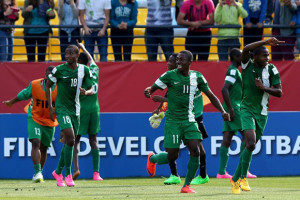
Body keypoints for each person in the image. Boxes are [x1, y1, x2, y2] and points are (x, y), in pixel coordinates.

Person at [144, 50, 230, 193]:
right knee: (173, 155)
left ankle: (186, 186)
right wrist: (148, 92)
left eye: (181, 60)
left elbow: (211, 95)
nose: (178, 62)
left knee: (196, 151)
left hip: (190, 119)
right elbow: (151, 90)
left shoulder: (197, 77)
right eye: (177, 59)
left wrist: (223, 111)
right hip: (173, 121)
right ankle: (153, 159)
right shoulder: (169, 75)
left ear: (190, 62)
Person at [230, 38, 283, 194]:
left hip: (262, 113)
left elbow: (279, 92)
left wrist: (264, 87)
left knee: (249, 147)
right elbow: (245, 49)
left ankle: (234, 179)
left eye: (268, 56)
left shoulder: (272, 69)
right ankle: (243, 178)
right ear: (254, 57)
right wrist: (266, 41)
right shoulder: (247, 65)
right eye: (263, 56)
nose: (267, 58)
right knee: (251, 143)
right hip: (246, 109)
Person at [151, 54, 210, 185]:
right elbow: (170, 95)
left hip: (194, 115)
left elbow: (180, 98)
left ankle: (202, 174)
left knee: (198, 148)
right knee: (173, 152)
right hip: (178, 118)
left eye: (171, 62)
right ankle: (174, 174)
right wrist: (159, 108)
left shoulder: (192, 78)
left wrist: (161, 101)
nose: (169, 65)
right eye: (172, 62)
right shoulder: (172, 77)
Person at [46, 45, 93, 187]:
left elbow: (92, 87)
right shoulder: (59, 70)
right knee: (71, 140)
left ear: (77, 55)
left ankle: (57, 172)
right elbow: (47, 85)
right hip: (61, 109)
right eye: (66, 53)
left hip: (76, 110)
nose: (67, 56)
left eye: (71, 54)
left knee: (69, 142)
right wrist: (50, 106)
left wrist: (87, 92)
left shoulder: (84, 70)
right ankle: (67, 174)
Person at [3, 66, 58, 183]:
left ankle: (39, 173)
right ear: (45, 74)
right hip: (35, 117)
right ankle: (38, 172)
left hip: (49, 120)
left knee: (44, 148)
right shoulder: (35, 85)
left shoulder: (60, 89)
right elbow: (23, 94)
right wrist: (11, 102)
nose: (51, 78)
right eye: (49, 75)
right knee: (36, 142)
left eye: (53, 76)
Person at [217, 48, 256, 179]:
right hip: (234, 107)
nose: (244, 57)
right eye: (241, 55)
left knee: (227, 138)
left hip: (231, 106)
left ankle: (221, 172)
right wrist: (231, 109)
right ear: (235, 57)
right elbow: (224, 89)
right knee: (247, 135)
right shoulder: (233, 71)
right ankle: (243, 170)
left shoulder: (234, 70)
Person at [72, 41, 102, 181]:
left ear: (79, 62)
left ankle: (76, 169)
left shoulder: (79, 74)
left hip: (81, 110)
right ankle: (96, 173)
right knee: (93, 140)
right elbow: (92, 59)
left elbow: (90, 90)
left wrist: (86, 93)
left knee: (75, 140)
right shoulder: (94, 70)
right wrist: (83, 47)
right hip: (95, 110)